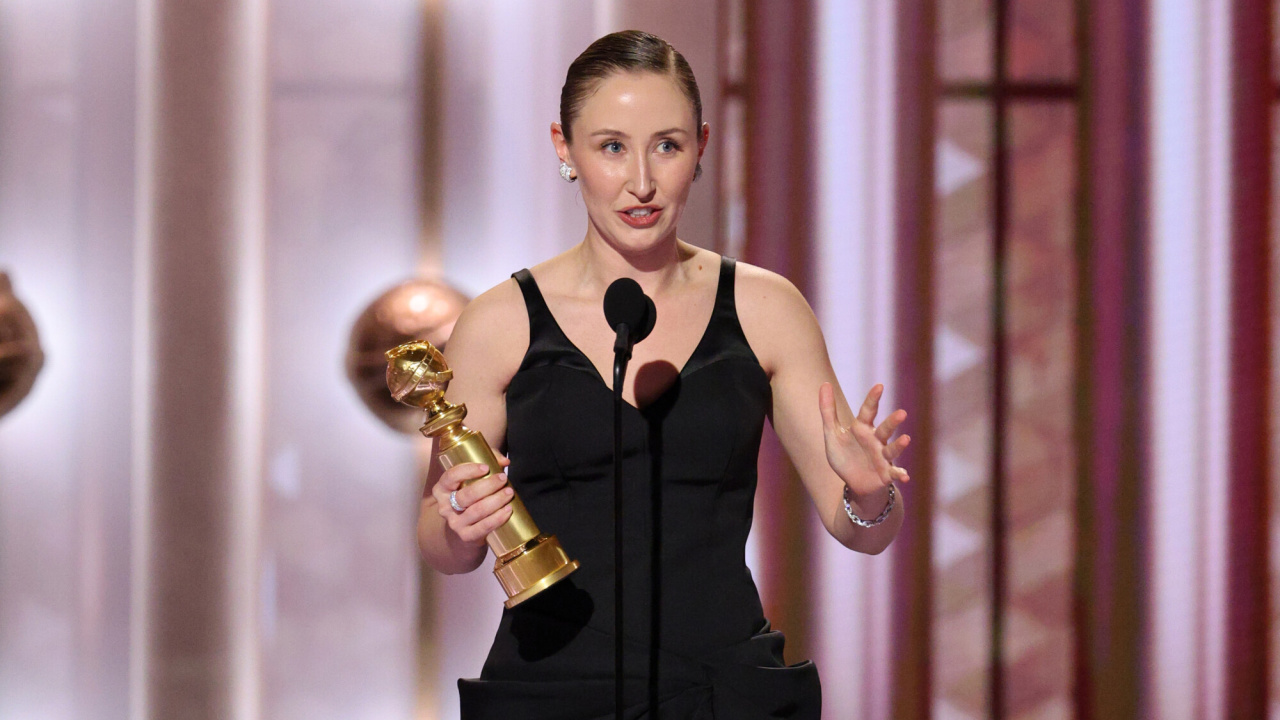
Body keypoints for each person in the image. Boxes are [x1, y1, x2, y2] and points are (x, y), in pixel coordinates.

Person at [415, 30, 911, 720]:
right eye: (611, 146)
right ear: (565, 148)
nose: (641, 182)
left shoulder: (766, 308)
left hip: (720, 689)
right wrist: (459, 522)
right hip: (549, 689)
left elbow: (862, 528)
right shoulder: (500, 321)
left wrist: (870, 492)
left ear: (701, 147)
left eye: (667, 146)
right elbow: (443, 547)